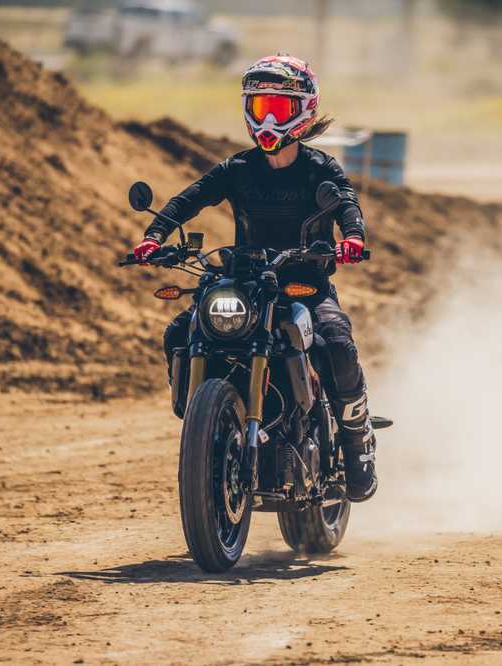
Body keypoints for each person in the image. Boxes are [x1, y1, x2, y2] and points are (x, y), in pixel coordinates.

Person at [129, 55, 377, 502]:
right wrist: (154, 236)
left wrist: (353, 238)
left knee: (336, 342)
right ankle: (207, 424)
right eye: (261, 106)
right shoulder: (238, 169)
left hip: (304, 285)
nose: (268, 120)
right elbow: (190, 198)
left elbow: (346, 205)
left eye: (279, 109)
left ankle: (358, 443)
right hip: (248, 283)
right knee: (179, 332)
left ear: (304, 111)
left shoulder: (321, 169)